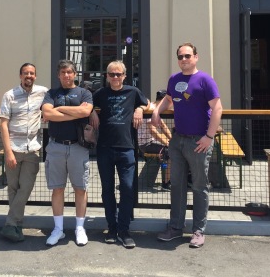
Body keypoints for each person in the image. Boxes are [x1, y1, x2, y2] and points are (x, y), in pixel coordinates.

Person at [152, 42, 222, 249]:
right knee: (177, 185)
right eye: (180, 56)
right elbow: (167, 99)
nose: (184, 59)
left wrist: (209, 137)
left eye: (188, 56)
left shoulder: (205, 80)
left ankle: (198, 231)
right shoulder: (174, 79)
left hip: (199, 141)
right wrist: (156, 111)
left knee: (200, 187)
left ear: (196, 57)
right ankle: (175, 228)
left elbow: (217, 109)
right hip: (178, 139)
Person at [89, 60, 148, 248]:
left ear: (124, 75)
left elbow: (149, 104)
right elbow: (85, 102)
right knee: (107, 190)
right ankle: (112, 227)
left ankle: (124, 229)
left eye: (118, 74)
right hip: (104, 147)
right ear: (107, 76)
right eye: (112, 74)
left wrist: (140, 108)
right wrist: (91, 112)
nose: (115, 77)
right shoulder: (100, 94)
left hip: (126, 148)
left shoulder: (133, 92)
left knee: (128, 188)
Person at [41, 59, 93, 247]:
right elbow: (47, 114)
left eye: (70, 72)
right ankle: (58, 229)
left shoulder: (84, 93)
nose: (66, 75)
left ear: (75, 74)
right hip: (55, 146)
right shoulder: (51, 93)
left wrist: (60, 109)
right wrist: (74, 112)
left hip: (78, 146)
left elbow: (85, 111)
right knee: (57, 188)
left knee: (80, 188)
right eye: (63, 72)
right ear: (58, 75)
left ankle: (80, 228)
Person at [0, 63, 48, 242]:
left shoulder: (43, 92)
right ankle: (16, 226)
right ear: (20, 76)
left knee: (25, 188)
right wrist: (8, 152)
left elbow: (53, 106)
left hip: (33, 149)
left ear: (35, 76)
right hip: (14, 148)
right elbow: (3, 124)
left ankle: (10, 224)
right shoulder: (9, 95)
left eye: (32, 73)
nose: (29, 76)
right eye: (26, 73)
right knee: (13, 188)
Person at [138, 90, 173, 189]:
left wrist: (171, 139)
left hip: (151, 141)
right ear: (163, 100)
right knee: (171, 152)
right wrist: (168, 143)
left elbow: (163, 126)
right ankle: (167, 182)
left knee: (173, 148)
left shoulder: (157, 109)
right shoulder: (152, 109)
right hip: (145, 144)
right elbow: (153, 131)